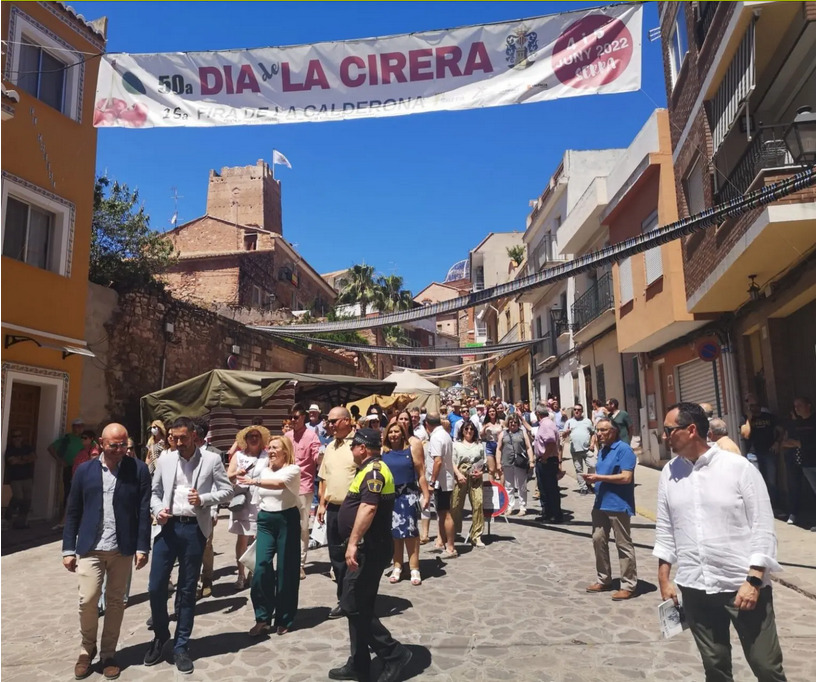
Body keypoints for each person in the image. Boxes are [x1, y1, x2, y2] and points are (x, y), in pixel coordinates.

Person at [654, 403, 787, 681]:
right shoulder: (669, 472)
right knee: (715, 668)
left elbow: (763, 526)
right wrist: (664, 577)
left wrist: (753, 580)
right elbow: (666, 527)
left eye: (668, 430)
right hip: (695, 587)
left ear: (691, 430)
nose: (664, 436)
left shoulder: (738, 468)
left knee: (766, 667)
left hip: (741, 586)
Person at [62, 423, 151, 681]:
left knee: (116, 602)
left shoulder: (139, 469)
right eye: (114, 445)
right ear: (101, 443)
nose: (120, 449)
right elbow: (74, 510)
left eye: (124, 444)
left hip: (121, 548)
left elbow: (143, 511)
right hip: (91, 547)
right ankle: (86, 648)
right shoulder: (84, 471)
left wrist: (142, 547)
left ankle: (109, 654)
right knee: (88, 600)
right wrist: (68, 549)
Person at [144, 416, 232, 675]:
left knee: (186, 589)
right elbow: (155, 491)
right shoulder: (166, 459)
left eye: (183, 438)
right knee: (156, 585)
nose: (178, 442)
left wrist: (203, 499)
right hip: (167, 527)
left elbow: (227, 490)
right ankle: (161, 635)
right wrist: (158, 509)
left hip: (194, 529)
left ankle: (181, 645)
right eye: (174, 438)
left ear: (194, 436)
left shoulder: (212, 460)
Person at [328, 428, 412, 682]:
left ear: (363, 448)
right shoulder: (368, 469)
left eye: (354, 445)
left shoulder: (374, 471)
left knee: (352, 603)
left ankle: (393, 652)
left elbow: (368, 507)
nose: (352, 449)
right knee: (358, 605)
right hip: (366, 547)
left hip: (369, 548)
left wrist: (353, 542)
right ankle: (359, 662)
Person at [238, 435, 301, 636]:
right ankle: (262, 618)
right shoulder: (264, 469)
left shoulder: (293, 470)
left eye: (276, 448)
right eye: (270, 447)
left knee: (286, 570)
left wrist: (254, 481)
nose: (271, 451)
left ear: (285, 451)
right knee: (261, 567)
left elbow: (279, 484)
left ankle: (284, 618)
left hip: (286, 520)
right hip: (265, 520)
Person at [583, 418, 638, 600]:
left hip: (618, 503)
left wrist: (598, 478)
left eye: (603, 430)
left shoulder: (624, 450)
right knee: (598, 539)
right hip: (600, 503)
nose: (599, 434)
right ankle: (604, 579)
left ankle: (628, 584)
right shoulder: (603, 450)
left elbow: (626, 477)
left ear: (613, 431)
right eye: (597, 430)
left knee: (623, 544)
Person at [317, 406, 358, 620]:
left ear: (346, 421)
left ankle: (354, 598)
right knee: (336, 557)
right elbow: (323, 478)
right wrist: (322, 504)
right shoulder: (330, 446)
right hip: (332, 508)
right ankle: (343, 599)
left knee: (353, 556)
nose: (330, 425)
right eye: (328, 421)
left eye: (334, 421)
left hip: (352, 508)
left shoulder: (358, 445)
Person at [382, 419, 429, 586]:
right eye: (391, 432)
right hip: (389, 496)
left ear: (403, 433)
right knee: (394, 534)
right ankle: (397, 565)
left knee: (410, 532)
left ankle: (414, 567)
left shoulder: (410, 449)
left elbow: (421, 472)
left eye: (397, 431)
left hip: (407, 495)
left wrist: (426, 494)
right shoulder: (384, 452)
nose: (394, 435)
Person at [227, 424, 271, 589]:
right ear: (245, 439)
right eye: (250, 436)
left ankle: (254, 571)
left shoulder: (267, 456)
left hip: (261, 499)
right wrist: (237, 473)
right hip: (242, 499)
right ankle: (241, 574)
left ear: (261, 439)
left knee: (260, 538)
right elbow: (228, 476)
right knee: (242, 538)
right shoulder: (238, 456)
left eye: (256, 436)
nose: (254, 438)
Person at [285, 403, 321, 580]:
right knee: (286, 525)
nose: (293, 420)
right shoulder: (287, 436)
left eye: (296, 417)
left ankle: (300, 564)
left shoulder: (311, 436)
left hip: (304, 487)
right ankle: (287, 561)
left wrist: (322, 456)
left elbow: (316, 457)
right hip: (285, 487)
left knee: (302, 526)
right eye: (291, 417)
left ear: (304, 417)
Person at [426, 412, 458, 558]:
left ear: (427, 424)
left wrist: (432, 481)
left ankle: (451, 547)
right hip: (444, 480)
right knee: (441, 512)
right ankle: (441, 541)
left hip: (441, 481)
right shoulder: (444, 434)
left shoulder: (436, 437)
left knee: (445, 513)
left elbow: (438, 461)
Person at [781, 397, 816, 529]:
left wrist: (799, 444)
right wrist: (795, 443)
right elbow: (789, 441)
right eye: (795, 406)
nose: (797, 408)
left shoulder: (814, 420)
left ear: (809, 406)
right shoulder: (798, 424)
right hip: (806, 463)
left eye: (799, 405)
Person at [740, 400, 781, 508]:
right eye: (751, 405)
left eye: (756, 405)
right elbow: (745, 434)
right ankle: (759, 507)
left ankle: (774, 507)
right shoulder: (744, 418)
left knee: (772, 481)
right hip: (753, 454)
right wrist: (749, 418)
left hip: (769, 451)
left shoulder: (769, 417)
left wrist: (777, 442)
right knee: (756, 481)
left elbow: (781, 431)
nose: (754, 407)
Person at [451, 421, 486, 547]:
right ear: (462, 430)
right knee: (456, 504)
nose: (469, 431)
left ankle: (476, 535)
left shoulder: (479, 445)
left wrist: (481, 473)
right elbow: (452, 462)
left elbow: (484, 463)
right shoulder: (456, 445)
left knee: (478, 503)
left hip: (475, 477)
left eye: (471, 429)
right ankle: (453, 532)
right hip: (460, 476)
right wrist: (459, 475)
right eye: (466, 428)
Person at [48, 417, 86, 529]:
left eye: (81, 426)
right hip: (70, 469)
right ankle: (67, 518)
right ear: (73, 427)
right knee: (69, 492)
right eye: (77, 426)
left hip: (83, 470)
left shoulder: (85, 438)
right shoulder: (67, 438)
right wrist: (60, 460)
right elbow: (51, 448)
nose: (79, 428)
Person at [496, 414, 534, 516]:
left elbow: (528, 447)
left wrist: (531, 460)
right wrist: (498, 463)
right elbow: (499, 449)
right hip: (507, 462)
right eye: (511, 422)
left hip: (520, 462)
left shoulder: (522, 433)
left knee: (522, 485)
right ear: (508, 423)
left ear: (518, 423)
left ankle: (523, 507)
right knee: (509, 486)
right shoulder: (503, 434)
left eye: (515, 422)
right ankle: (510, 506)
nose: (513, 424)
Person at [533, 403, 564, 523]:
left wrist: (544, 458)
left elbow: (550, 443)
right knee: (543, 488)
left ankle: (556, 514)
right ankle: (547, 512)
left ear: (538, 414)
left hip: (547, 461)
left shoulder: (546, 424)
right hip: (544, 460)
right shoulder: (545, 424)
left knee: (550, 488)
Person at [3, 430, 36, 529]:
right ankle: (7, 517)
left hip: (27, 477)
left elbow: (34, 457)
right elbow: (11, 461)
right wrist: (25, 459)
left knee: (27, 500)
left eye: (19, 436)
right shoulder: (9, 449)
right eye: (15, 436)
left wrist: (19, 459)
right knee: (18, 497)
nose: (17, 438)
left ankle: (21, 522)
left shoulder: (27, 447)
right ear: (12, 438)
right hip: (15, 478)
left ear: (22, 437)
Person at [564, 404, 595, 495]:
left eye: (579, 410)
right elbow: (563, 436)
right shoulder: (569, 422)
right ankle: (583, 487)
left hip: (587, 449)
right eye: (575, 409)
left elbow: (593, 433)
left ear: (582, 411)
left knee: (593, 465)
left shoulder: (587, 421)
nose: (577, 411)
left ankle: (588, 483)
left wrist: (592, 444)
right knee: (579, 469)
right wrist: (566, 432)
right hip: (575, 450)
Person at [480, 405, 503, 480]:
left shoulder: (501, 422)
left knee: (500, 469)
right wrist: (485, 427)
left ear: (496, 412)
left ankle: (502, 489)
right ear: (488, 413)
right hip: (489, 445)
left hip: (499, 445)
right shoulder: (486, 423)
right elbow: (481, 435)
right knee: (491, 470)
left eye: (493, 411)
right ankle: (491, 489)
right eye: (490, 412)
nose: (492, 413)